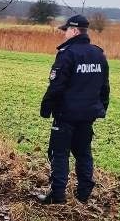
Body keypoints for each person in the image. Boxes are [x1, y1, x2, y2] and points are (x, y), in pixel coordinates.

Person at [38, 14, 110, 204]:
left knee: (59, 153)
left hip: (66, 115)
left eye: (66, 30)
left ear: (75, 31)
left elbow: (57, 86)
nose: (64, 34)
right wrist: (101, 109)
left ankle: (57, 195)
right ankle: (84, 194)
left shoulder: (67, 54)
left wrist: (46, 107)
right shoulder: (98, 54)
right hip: (88, 116)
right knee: (83, 153)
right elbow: (104, 87)